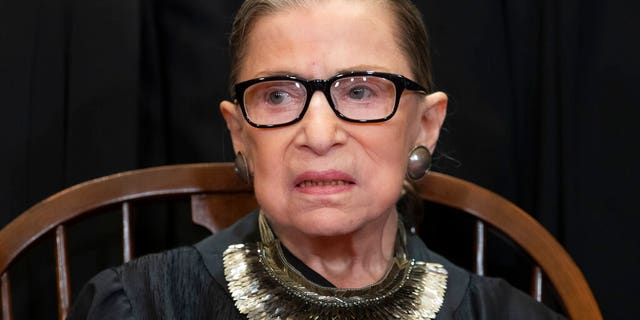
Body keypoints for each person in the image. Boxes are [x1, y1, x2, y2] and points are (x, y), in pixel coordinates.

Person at [68, 0, 566, 319]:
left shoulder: (507, 314)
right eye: (278, 96)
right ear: (239, 133)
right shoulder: (138, 308)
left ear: (426, 126)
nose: (320, 134)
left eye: (361, 91)